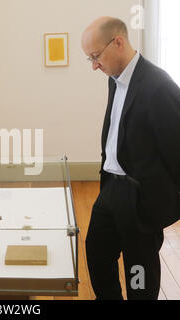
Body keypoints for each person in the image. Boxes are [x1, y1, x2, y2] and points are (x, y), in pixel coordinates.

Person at [81, 16, 180, 300]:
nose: (94, 65)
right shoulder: (115, 79)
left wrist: (165, 202)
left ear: (119, 43)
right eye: (89, 58)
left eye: (96, 56)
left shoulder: (159, 86)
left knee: (139, 272)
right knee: (98, 255)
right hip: (111, 186)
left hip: (140, 199)